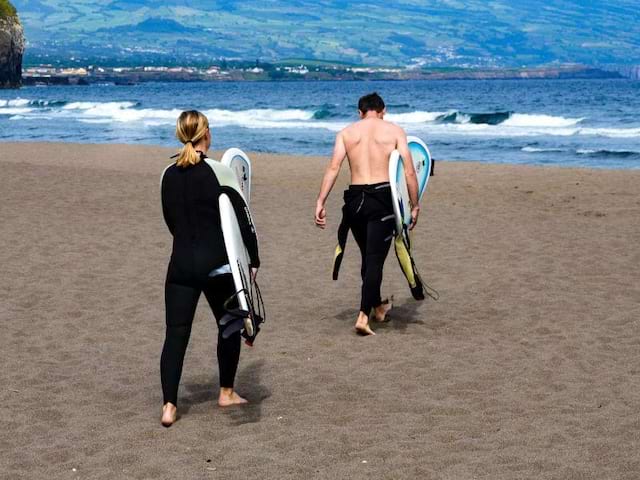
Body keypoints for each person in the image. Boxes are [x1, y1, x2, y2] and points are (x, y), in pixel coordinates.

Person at [159, 110, 260, 427]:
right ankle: (226, 393)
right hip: (217, 265)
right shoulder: (219, 172)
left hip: (180, 265)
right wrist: (252, 261)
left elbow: (171, 221)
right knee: (230, 325)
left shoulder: (167, 174)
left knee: (176, 335)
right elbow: (244, 220)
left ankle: (169, 406)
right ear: (207, 134)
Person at [315, 93, 419, 336]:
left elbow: (333, 168)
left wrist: (320, 201)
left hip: (355, 200)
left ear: (359, 112)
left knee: (368, 257)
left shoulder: (346, 133)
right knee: (374, 260)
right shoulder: (394, 131)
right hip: (381, 200)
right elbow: (410, 172)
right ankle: (363, 316)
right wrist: (414, 205)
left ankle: (378, 308)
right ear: (383, 110)